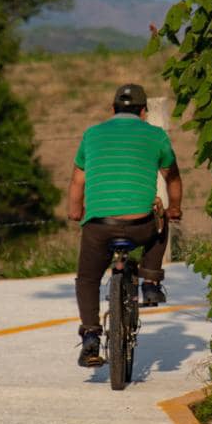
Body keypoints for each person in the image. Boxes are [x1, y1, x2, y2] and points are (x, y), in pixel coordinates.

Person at [67, 83, 183, 368]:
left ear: (112, 109)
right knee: (162, 218)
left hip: (99, 228)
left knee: (88, 279)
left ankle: (91, 337)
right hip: (140, 226)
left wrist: (74, 212)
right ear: (144, 112)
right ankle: (151, 281)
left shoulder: (92, 134)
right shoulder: (156, 135)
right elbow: (173, 179)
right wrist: (175, 209)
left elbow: (77, 182)